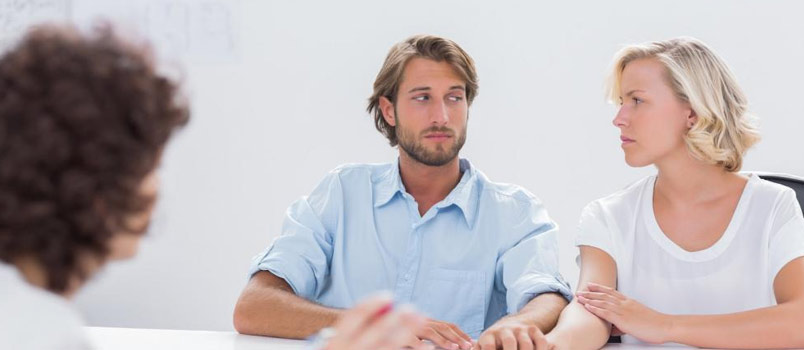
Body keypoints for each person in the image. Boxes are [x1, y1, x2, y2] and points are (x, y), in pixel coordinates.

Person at [0, 24, 423, 350]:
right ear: (95, 189)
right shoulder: (41, 334)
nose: (156, 190)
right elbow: (254, 306)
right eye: (150, 166)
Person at [234, 34, 571, 350]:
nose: (441, 116)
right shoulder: (342, 195)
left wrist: (518, 323)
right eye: (422, 98)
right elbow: (254, 306)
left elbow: (547, 297)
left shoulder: (514, 212)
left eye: (454, 98)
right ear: (388, 110)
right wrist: (373, 327)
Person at [545, 37, 804, 349]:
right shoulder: (607, 216)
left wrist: (664, 325)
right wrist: (549, 346)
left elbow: (798, 322)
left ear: (692, 112)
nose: (619, 119)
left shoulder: (773, 206)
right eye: (621, 103)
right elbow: (588, 314)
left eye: (636, 101)